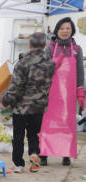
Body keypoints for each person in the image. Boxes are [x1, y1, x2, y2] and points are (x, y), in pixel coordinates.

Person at [2, 32, 55, 173]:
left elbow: (16, 86)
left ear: (30, 44)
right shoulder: (50, 62)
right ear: (44, 45)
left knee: (18, 136)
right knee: (34, 134)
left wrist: (6, 101)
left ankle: (18, 164)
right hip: (39, 106)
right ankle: (34, 155)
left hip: (21, 107)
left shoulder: (23, 61)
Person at [40, 17, 84, 166]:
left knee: (67, 124)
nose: (65, 31)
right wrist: (55, 63)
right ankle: (44, 153)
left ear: (72, 30)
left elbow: (79, 72)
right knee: (48, 123)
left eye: (68, 28)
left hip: (69, 95)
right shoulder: (50, 48)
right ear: (57, 30)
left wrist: (81, 92)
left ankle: (66, 154)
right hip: (52, 92)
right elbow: (44, 69)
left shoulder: (77, 49)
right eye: (62, 28)